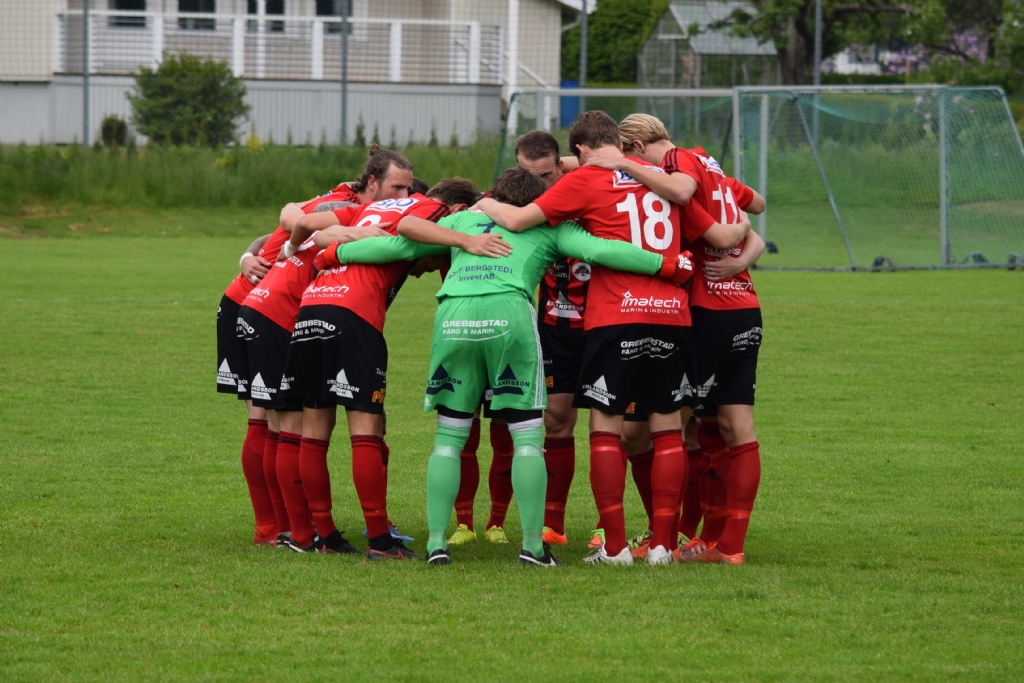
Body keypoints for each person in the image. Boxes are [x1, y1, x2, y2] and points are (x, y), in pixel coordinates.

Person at [325, 167, 697, 566]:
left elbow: (398, 246)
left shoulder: (462, 221)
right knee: (526, 437)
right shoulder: (548, 226)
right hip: (509, 316)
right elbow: (602, 250)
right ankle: (533, 547)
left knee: (449, 437)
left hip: (454, 319)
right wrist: (666, 265)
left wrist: (335, 253)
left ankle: (436, 544)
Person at [473, 111, 750, 565]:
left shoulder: (587, 179)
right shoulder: (662, 179)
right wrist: (743, 234)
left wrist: (484, 204)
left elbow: (521, 221)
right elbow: (716, 232)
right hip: (672, 315)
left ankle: (616, 548)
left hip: (616, 314)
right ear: (620, 143)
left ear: (581, 150)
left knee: (606, 429)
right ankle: (663, 545)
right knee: (667, 431)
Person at [279, 178, 479, 561]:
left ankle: (324, 535)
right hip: (354, 314)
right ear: (455, 210)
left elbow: (317, 233)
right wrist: (461, 240)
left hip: (313, 305)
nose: (427, 270)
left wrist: (331, 252)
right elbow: (406, 241)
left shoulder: (371, 207)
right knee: (366, 428)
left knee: (315, 427)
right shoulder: (433, 213)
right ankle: (380, 541)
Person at [239, 145, 413, 554]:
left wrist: (257, 251)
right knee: (285, 425)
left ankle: (304, 532)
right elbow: (295, 221)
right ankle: (290, 531)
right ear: (372, 183)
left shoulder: (359, 210)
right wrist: (258, 254)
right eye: (397, 189)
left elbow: (292, 227)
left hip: (281, 309)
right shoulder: (347, 205)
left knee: (291, 425)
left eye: (408, 191)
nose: (402, 198)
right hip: (276, 311)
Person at [613, 114, 767, 564]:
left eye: (629, 155)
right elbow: (756, 205)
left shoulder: (677, 168)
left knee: (667, 430)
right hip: (744, 307)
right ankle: (724, 544)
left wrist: (734, 236)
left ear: (637, 146)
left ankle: (668, 536)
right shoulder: (709, 165)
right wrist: (743, 252)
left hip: (703, 312)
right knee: (726, 428)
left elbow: (698, 209)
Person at [446, 130, 583, 549]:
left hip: (605, 321)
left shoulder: (586, 188)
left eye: (545, 174)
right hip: (543, 324)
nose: (536, 184)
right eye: (527, 173)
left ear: (561, 165)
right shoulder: (505, 200)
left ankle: (598, 526)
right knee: (542, 421)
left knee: (616, 427)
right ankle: (535, 525)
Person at [217, 222, 295, 547]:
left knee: (269, 417)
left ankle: (277, 524)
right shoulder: (341, 204)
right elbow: (280, 230)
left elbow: (277, 236)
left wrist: (248, 256)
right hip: (258, 307)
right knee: (268, 417)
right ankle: (272, 526)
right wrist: (247, 256)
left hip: (250, 303)